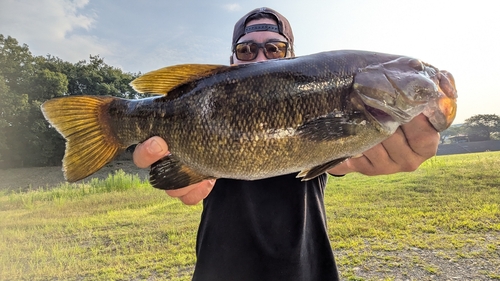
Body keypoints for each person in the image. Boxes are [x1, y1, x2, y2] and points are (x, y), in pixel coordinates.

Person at [133, 7, 440, 281]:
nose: (261, 57)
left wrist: (364, 152)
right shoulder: (203, 105)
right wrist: (177, 169)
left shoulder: (334, 102)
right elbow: (177, 173)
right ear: (230, 62)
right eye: (246, 50)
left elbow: (344, 160)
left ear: (294, 58)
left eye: (274, 48)